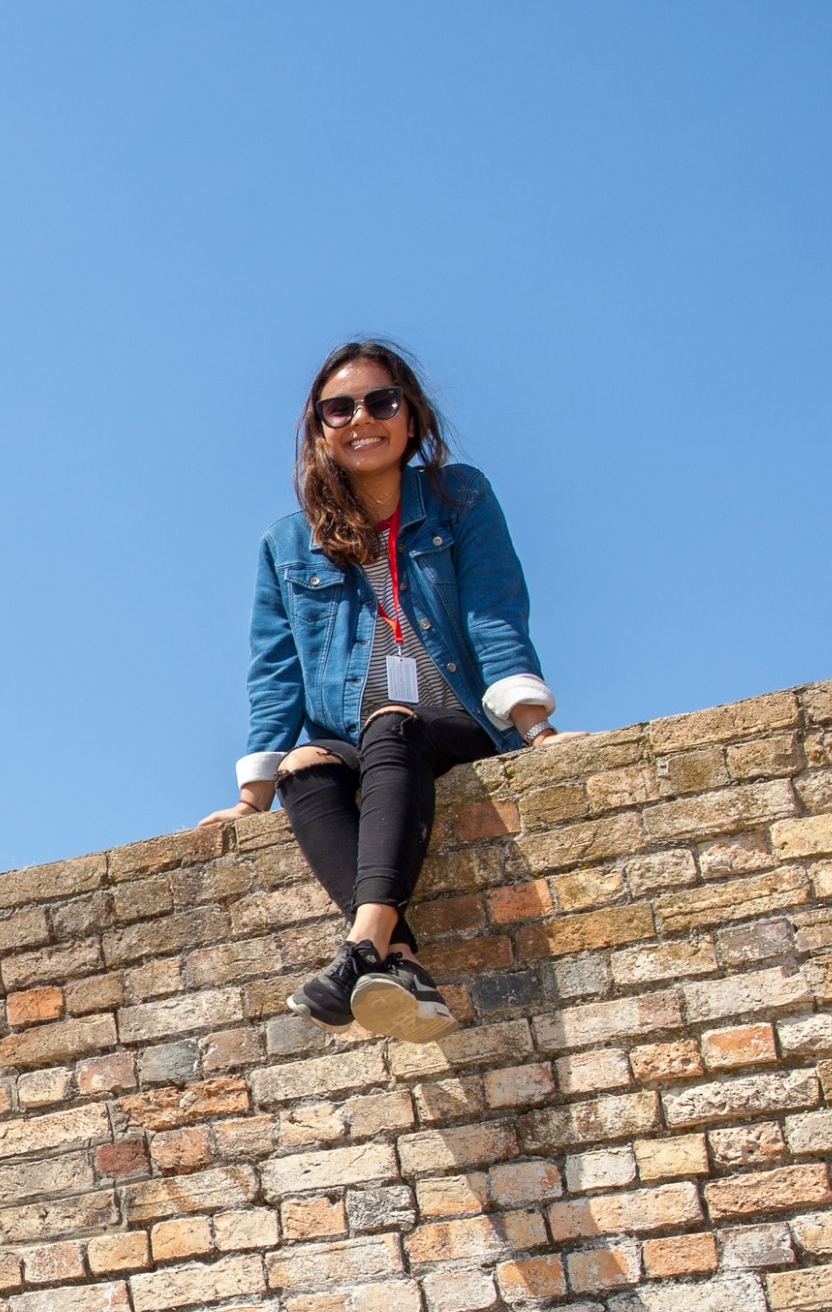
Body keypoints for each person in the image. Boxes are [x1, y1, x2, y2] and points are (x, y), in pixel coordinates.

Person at [199, 341, 569, 1041]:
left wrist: (536, 728)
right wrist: (253, 794)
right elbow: (275, 668)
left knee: (393, 720)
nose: (361, 418)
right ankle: (395, 960)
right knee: (304, 767)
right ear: (318, 428)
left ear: (411, 417)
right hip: (354, 732)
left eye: (381, 402)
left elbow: (494, 610)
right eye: (339, 408)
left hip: (449, 722)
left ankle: (359, 949)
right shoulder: (288, 544)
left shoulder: (459, 498)